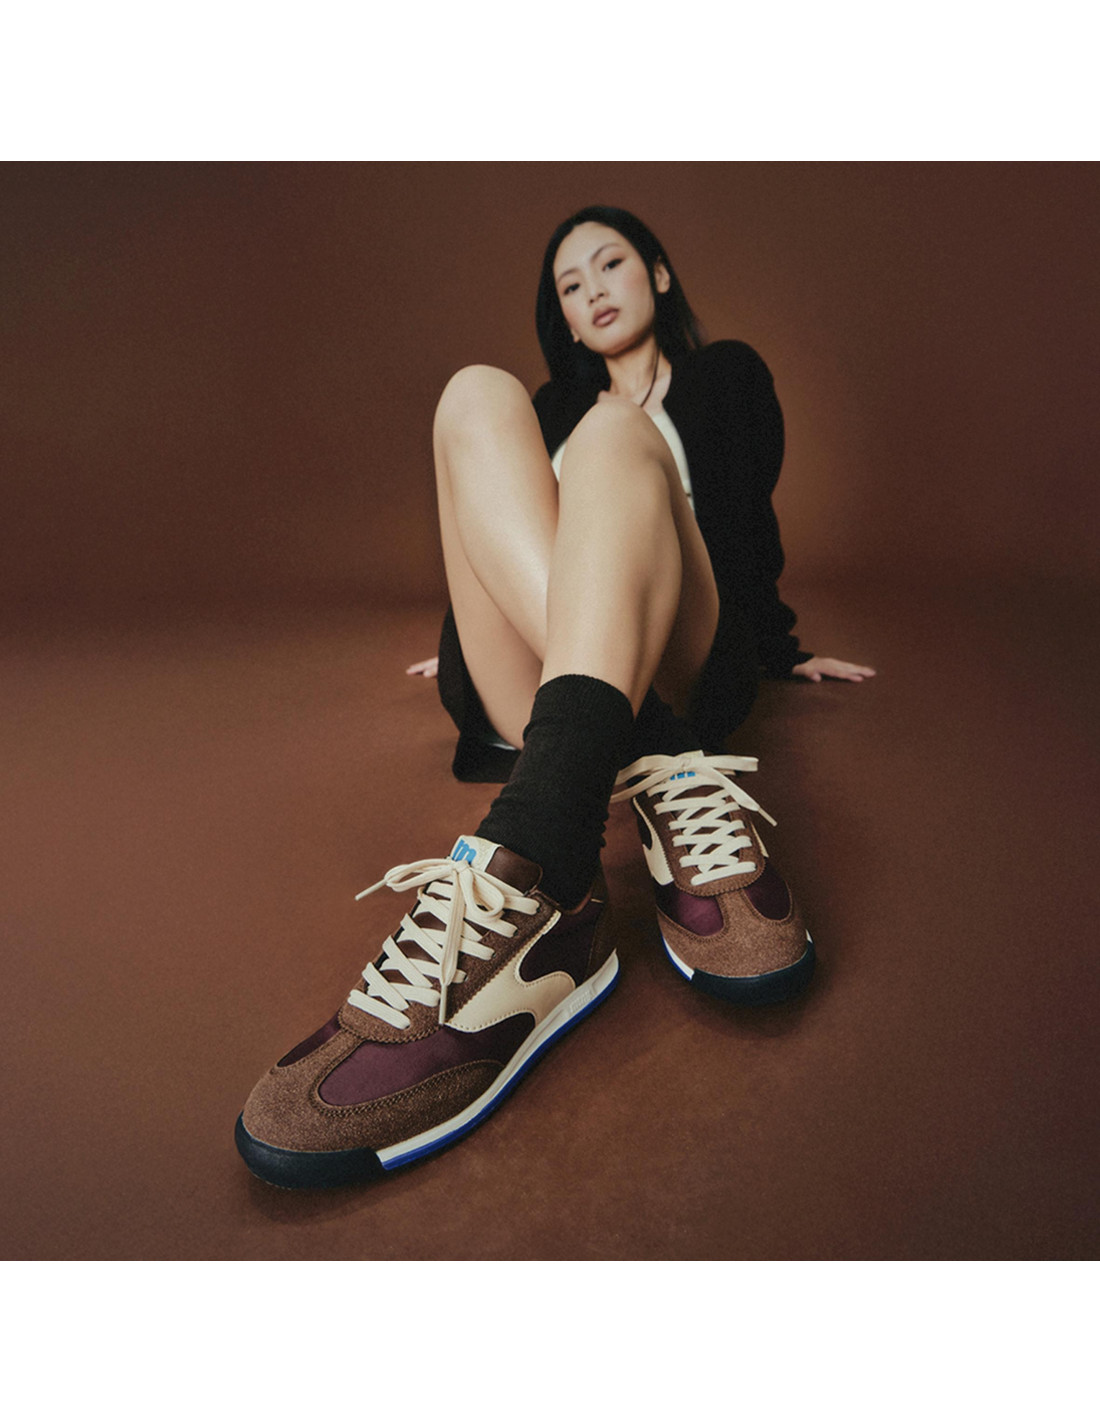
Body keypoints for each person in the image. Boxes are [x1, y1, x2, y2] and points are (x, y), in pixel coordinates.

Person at [235, 206, 875, 1189]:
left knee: (616, 432)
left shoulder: (725, 378)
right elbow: (500, 542)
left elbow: (747, 526)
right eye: (570, 286)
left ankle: (542, 844)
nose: (593, 291)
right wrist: (469, 638)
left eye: (609, 264)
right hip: (550, 676)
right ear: (564, 318)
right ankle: (651, 759)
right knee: (472, 393)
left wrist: (782, 648)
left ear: (658, 273)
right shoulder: (545, 409)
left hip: (680, 648)